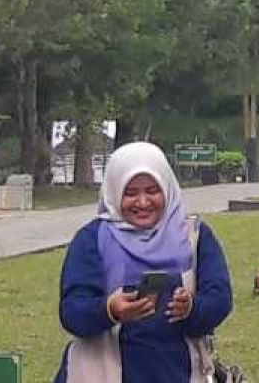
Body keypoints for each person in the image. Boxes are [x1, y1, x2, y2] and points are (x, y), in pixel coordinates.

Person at [54, 142, 233, 383]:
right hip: (101, 373)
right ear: (114, 192)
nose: (142, 202)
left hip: (180, 372)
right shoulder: (92, 239)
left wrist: (191, 308)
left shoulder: (194, 236)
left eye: (152, 190)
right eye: (130, 193)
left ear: (167, 189)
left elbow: (220, 300)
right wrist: (109, 309)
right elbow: (72, 312)